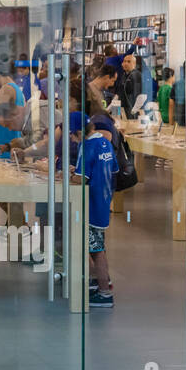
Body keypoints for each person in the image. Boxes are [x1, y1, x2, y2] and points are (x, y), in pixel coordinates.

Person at [75, 117, 118, 308]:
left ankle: (104, 293)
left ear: (78, 133)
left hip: (91, 207)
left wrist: (65, 175)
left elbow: (80, 179)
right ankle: (100, 281)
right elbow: (113, 170)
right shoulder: (105, 143)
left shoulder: (88, 147)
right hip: (103, 202)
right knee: (97, 247)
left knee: (96, 250)